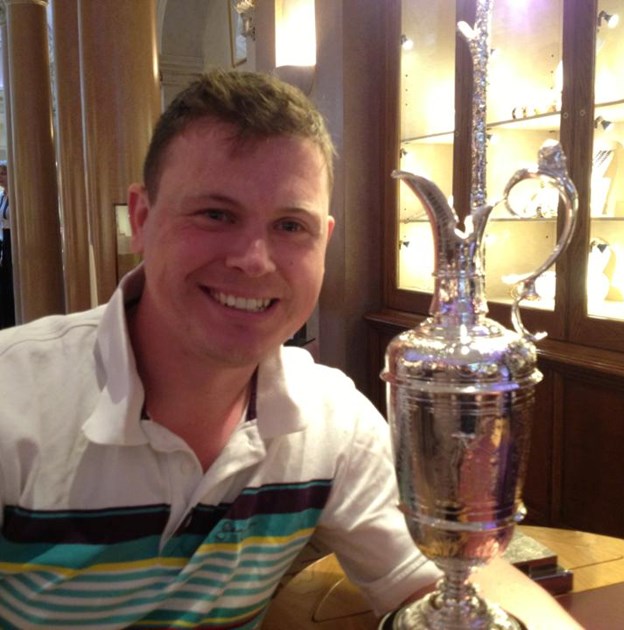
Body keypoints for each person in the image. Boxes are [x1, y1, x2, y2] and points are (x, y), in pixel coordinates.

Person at [0, 70, 580, 628]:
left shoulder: (330, 419)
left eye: (290, 226)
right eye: (215, 214)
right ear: (143, 219)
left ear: (324, 241)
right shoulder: (15, 398)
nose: (254, 260)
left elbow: (446, 585)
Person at [0, 161, 15, 329]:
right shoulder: (2, 196)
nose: (0, 177)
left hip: (14, 238)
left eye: (3, 173)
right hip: (5, 239)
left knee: (12, 281)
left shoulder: (17, 195)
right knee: (5, 282)